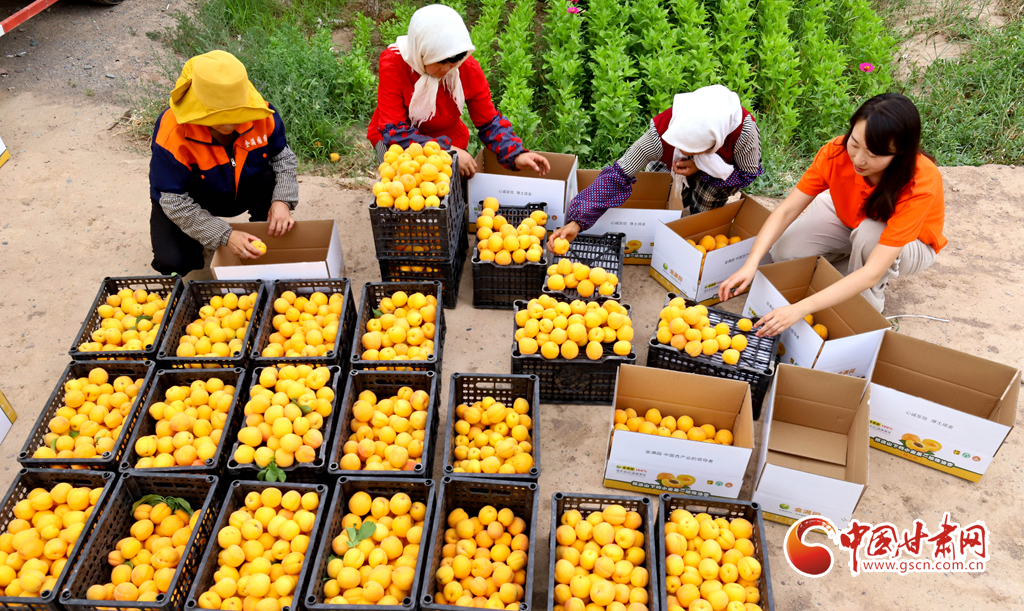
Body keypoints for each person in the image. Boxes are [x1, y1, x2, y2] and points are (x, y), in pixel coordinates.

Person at [719, 93, 946, 333]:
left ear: (900, 154)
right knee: (785, 253)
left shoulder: (920, 182)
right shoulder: (836, 152)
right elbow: (786, 211)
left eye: (873, 154)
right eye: (855, 144)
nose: (859, 159)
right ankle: (849, 266)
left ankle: (869, 304)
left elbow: (871, 272)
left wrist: (799, 309)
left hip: (911, 244)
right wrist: (751, 263)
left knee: (870, 235)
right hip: (848, 216)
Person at [549, 85, 762, 248]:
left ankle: (696, 227)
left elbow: (747, 173)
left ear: (716, 142)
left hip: (720, 173)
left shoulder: (744, 133)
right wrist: (577, 222)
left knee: (703, 213)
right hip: (676, 167)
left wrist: (699, 165)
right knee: (657, 182)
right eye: (680, 146)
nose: (684, 151)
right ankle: (674, 211)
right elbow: (619, 174)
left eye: (695, 150)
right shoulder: (660, 135)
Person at [149, 50, 298, 276]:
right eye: (218, 117)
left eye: (235, 116)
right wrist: (224, 235)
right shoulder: (173, 132)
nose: (228, 125)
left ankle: (262, 231)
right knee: (173, 261)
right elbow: (173, 200)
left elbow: (283, 158)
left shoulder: (263, 115)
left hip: (246, 186)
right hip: (193, 197)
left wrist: (282, 201)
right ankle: (195, 241)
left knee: (269, 178)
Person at [367, 4, 550, 178]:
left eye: (453, 63)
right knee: (403, 184)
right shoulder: (395, 63)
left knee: (447, 191)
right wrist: (445, 151)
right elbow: (394, 131)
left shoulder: (466, 68)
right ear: (422, 51)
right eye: (440, 62)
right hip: (398, 140)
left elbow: (488, 122)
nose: (447, 70)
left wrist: (516, 154)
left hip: (447, 137)